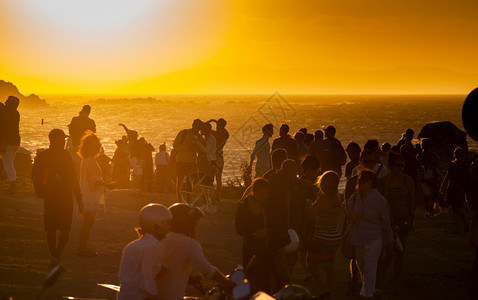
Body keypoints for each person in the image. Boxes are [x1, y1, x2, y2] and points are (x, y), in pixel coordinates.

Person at [157, 203, 231, 300]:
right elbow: (207, 270)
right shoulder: (190, 244)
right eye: (194, 223)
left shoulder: (160, 239)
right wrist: (229, 283)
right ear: (189, 225)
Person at [31, 129, 83, 265]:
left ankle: (54, 256)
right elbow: (73, 179)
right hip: (65, 196)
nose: (64, 142)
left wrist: (40, 191)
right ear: (57, 140)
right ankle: (57, 256)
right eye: (63, 139)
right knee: (65, 229)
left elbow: (34, 175)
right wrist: (79, 198)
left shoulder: (42, 155)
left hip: (49, 197)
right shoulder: (66, 155)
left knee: (51, 229)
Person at [347, 170, 394, 299]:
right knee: (362, 267)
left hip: (374, 238)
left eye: (364, 180)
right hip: (358, 238)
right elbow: (348, 218)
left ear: (371, 182)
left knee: (370, 267)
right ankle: (368, 290)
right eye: (360, 180)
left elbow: (385, 221)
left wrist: (390, 240)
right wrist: (353, 216)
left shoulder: (378, 199)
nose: (361, 182)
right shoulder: (354, 198)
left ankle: (366, 294)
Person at [118, 203, 172, 300]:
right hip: (140, 296)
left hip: (124, 295)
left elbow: (125, 274)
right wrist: (153, 294)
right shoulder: (152, 246)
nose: (168, 228)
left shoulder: (132, 245)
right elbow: (147, 275)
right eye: (165, 224)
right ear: (156, 225)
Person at [377, 152, 415, 289]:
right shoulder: (384, 182)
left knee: (400, 251)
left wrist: (411, 217)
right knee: (387, 252)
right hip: (388, 221)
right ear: (391, 166)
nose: (401, 168)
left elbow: (412, 199)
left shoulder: (407, 180)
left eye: (403, 165)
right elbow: (382, 203)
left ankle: (396, 279)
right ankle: (379, 276)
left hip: (404, 218)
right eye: (398, 165)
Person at [267, 159, 307, 290]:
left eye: (294, 174)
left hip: (295, 229)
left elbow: (302, 208)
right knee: (281, 266)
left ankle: (280, 285)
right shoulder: (274, 185)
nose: (292, 177)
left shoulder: (298, 187)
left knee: (291, 261)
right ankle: (281, 287)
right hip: (278, 231)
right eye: (290, 174)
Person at [343, 149, 376, 296]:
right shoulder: (352, 181)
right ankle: (355, 279)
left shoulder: (377, 181)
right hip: (357, 224)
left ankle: (365, 285)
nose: (369, 164)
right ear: (361, 162)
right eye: (366, 161)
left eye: (372, 162)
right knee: (356, 256)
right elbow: (347, 202)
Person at [77, 131, 115, 257]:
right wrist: (108, 185)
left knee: (87, 223)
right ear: (88, 146)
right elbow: (95, 180)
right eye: (93, 145)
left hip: (84, 193)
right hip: (90, 194)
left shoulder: (85, 159)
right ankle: (82, 248)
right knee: (88, 222)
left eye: (97, 144)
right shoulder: (91, 160)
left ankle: (82, 247)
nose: (96, 147)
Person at [306, 171, 341, 299]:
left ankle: (324, 289)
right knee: (329, 266)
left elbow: (311, 214)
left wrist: (308, 205)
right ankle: (329, 291)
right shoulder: (337, 198)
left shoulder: (323, 199)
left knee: (311, 263)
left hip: (322, 237)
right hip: (334, 236)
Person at [235, 178, 272, 292]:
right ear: (253, 192)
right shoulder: (244, 207)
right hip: (250, 248)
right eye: (261, 194)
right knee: (251, 279)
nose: (264, 197)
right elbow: (239, 229)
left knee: (265, 281)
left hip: (267, 249)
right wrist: (255, 232)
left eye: (267, 194)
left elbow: (276, 223)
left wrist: (267, 230)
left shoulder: (269, 206)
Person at [440, 147, 470, 233]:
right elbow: (448, 177)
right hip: (455, 188)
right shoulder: (460, 165)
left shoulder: (461, 166)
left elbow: (447, 177)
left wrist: (442, 188)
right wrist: (442, 188)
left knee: (457, 208)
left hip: (456, 188)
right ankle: (459, 227)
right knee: (455, 208)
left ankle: (463, 225)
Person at [173, 119, 202, 201]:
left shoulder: (199, 137)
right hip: (181, 160)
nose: (197, 129)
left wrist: (195, 148)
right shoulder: (183, 133)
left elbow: (200, 149)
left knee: (190, 182)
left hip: (192, 162)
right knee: (180, 182)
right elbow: (175, 145)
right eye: (197, 126)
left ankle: (188, 200)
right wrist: (187, 148)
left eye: (199, 128)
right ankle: (180, 200)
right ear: (193, 125)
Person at [195, 122, 218, 212]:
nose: (201, 131)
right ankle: (205, 204)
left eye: (203, 130)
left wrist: (197, 143)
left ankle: (213, 205)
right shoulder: (206, 139)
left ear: (207, 130)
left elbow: (206, 150)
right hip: (204, 163)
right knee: (204, 185)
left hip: (209, 163)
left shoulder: (211, 139)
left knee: (209, 184)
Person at [417, 138, 441, 217]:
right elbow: (438, 166)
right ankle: (431, 210)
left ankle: (429, 210)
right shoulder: (433, 155)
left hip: (426, 178)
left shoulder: (420, 155)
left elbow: (418, 168)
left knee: (427, 197)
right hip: (432, 178)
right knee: (432, 196)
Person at [2, 96, 21, 193]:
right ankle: (11, 182)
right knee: (9, 162)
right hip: (15, 141)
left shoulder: (9, 113)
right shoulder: (15, 113)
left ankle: (13, 184)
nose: (5, 102)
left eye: (7, 101)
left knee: (7, 162)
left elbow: (6, 125)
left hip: (9, 141)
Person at [209, 118, 229, 203]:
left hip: (214, 156)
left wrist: (212, 121)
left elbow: (203, 127)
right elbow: (222, 129)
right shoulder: (225, 134)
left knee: (211, 177)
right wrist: (216, 121)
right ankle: (216, 196)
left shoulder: (214, 134)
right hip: (220, 157)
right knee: (218, 178)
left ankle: (212, 195)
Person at [119, 124, 142, 189]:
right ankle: (136, 187)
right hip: (133, 158)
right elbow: (128, 133)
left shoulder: (137, 141)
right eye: (136, 134)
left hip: (135, 159)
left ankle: (136, 187)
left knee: (137, 173)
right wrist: (124, 126)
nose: (137, 135)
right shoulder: (132, 141)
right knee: (139, 173)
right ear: (134, 136)